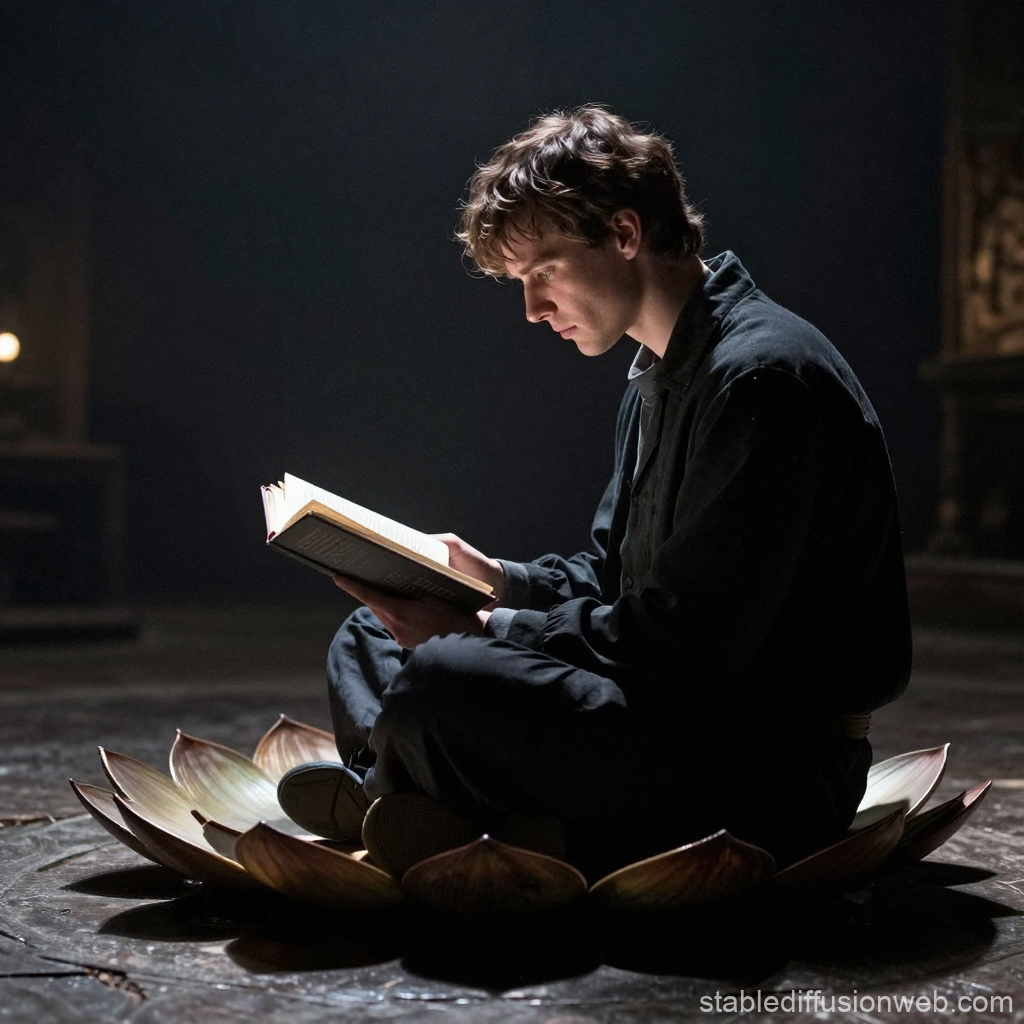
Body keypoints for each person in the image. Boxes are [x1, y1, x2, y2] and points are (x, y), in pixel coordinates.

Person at [278, 106, 912, 878]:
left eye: (543, 272)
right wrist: (493, 579)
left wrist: (489, 627)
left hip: (766, 758)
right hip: (670, 706)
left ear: (624, 233)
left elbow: (684, 645)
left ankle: (411, 790)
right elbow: (616, 582)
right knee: (372, 633)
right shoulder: (655, 378)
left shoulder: (761, 377)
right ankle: (421, 790)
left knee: (444, 676)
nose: (532, 309)